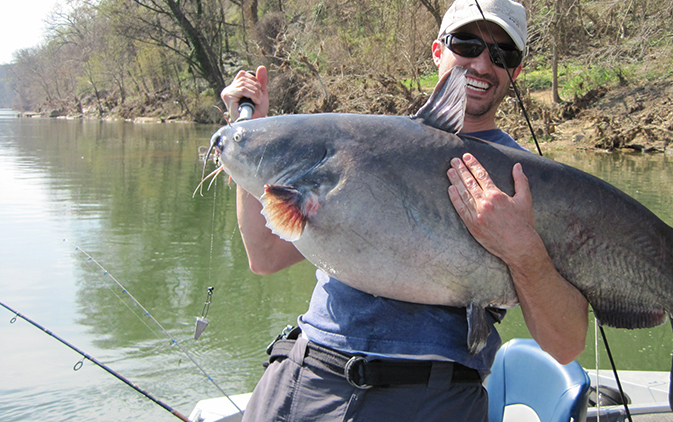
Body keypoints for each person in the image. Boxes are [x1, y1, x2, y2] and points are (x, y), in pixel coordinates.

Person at [220, 0, 588, 421]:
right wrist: (250, 141)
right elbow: (265, 256)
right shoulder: (362, 148)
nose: (483, 64)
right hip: (307, 377)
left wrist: (524, 250)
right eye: (466, 44)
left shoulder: (531, 184)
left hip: (431, 397)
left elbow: (566, 344)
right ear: (437, 51)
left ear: (517, 71)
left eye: (503, 54)